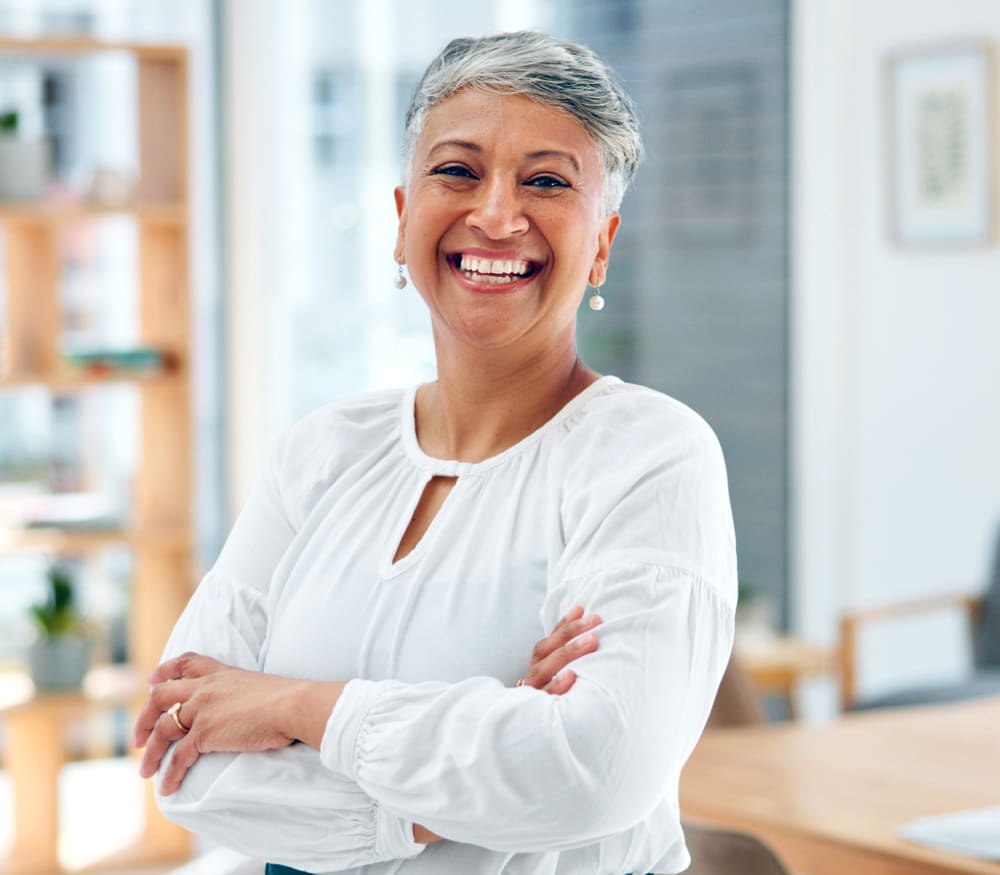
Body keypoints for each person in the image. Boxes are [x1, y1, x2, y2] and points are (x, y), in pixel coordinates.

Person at [134, 30, 736, 875]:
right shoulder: (321, 453)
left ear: (601, 243)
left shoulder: (650, 455)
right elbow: (182, 761)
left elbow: (595, 770)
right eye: (457, 170)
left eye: (547, 181)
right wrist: (482, 761)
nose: (496, 213)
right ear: (402, 217)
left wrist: (299, 707)